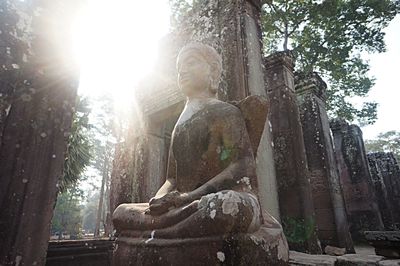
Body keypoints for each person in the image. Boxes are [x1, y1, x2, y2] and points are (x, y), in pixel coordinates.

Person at [112, 43, 263, 238]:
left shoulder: (226, 112)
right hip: (184, 205)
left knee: (222, 207)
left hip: (216, 199)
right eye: (178, 68)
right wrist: (159, 199)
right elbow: (172, 178)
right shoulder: (178, 126)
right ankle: (169, 230)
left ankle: (162, 232)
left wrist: (188, 197)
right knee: (121, 213)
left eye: (190, 63)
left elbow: (243, 164)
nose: (182, 71)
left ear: (213, 70)